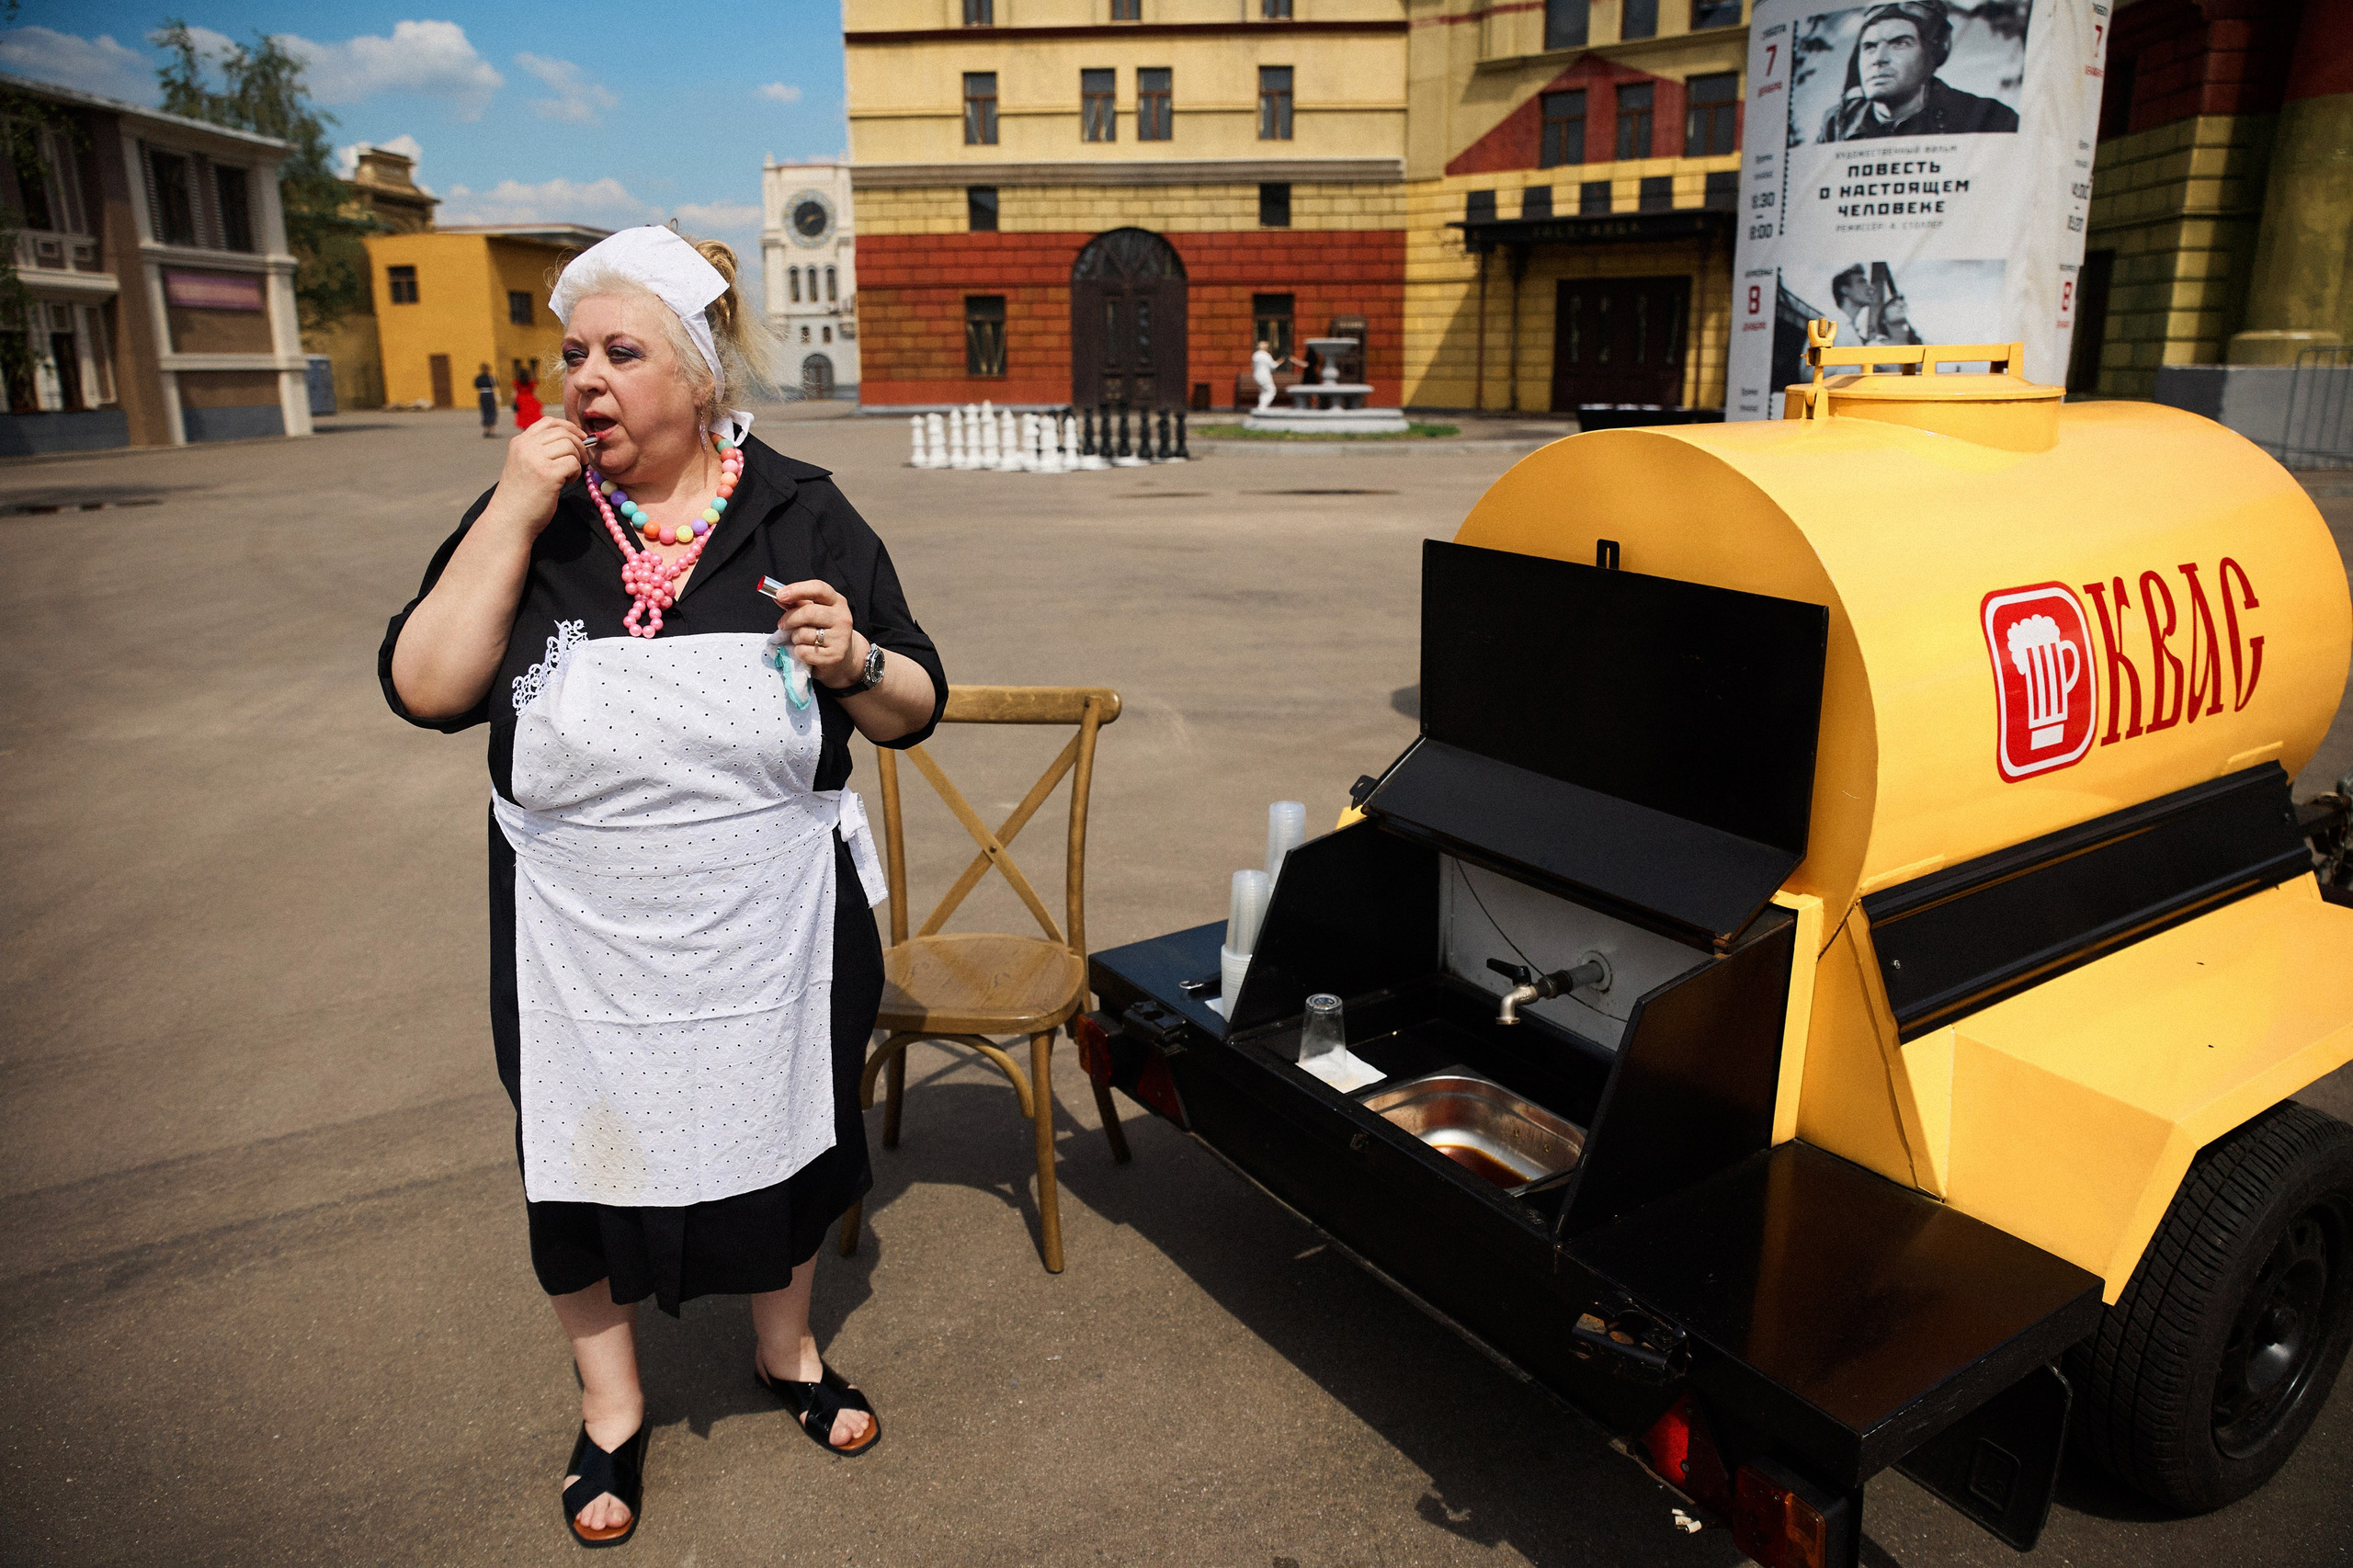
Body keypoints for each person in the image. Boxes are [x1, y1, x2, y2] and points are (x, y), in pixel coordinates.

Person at [381, 225, 945, 1547]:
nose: (586, 378)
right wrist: (517, 509)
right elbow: (428, 685)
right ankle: (613, 1405)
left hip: (777, 927)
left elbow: (917, 706)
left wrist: (856, 656)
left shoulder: (802, 507)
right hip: (576, 940)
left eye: (622, 353)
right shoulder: (539, 513)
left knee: (789, 1134)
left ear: (700, 378)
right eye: (572, 352)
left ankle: (786, 1352)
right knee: (579, 1160)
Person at [1816, 0, 2019, 142]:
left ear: (1932, 55)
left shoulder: (1988, 119)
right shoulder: (1836, 124)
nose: (1878, 59)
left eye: (1900, 44)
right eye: (1869, 47)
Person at [1251, 338, 1302, 412]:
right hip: (1265, 376)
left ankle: (1261, 406)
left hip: (1257, 375)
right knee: (1272, 390)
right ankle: (1262, 407)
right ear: (1265, 348)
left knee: (1263, 391)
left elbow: (1254, 366)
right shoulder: (1266, 355)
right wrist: (1281, 360)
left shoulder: (1255, 355)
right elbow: (1273, 366)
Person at [513, 363, 543, 430]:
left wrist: (514, 401)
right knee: (532, 416)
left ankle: (525, 430)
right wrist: (538, 400)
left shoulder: (517, 383)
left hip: (521, 400)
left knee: (523, 416)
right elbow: (535, 393)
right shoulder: (531, 382)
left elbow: (514, 393)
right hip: (530, 399)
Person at [473, 361, 499, 437]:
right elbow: (496, 385)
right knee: (491, 411)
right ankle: (491, 430)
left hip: (482, 394)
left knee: (484, 411)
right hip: (490, 394)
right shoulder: (491, 377)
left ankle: (486, 430)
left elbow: (476, 385)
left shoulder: (478, 378)